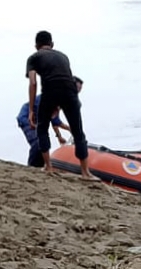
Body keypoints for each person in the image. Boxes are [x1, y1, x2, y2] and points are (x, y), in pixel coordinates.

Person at [26, 31, 95, 179]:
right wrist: (60, 106)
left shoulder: (34, 58)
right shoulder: (63, 56)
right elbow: (65, 79)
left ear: (36, 46)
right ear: (52, 44)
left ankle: (48, 166)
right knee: (78, 132)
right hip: (70, 93)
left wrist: (31, 110)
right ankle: (86, 172)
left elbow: (33, 82)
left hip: (50, 92)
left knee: (42, 128)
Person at [17, 76, 84, 168]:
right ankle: (31, 166)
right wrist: (69, 129)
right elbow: (55, 120)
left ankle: (40, 165)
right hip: (27, 117)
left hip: (39, 120)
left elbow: (54, 120)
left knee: (43, 143)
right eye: (76, 88)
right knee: (37, 142)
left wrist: (59, 136)